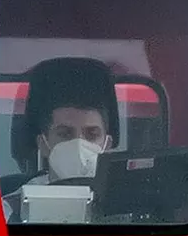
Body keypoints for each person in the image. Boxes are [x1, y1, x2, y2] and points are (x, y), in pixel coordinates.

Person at [16, 57, 120, 187]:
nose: (79, 144)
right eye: (65, 134)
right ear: (43, 144)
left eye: (92, 135)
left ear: (107, 145)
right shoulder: (12, 206)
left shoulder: (128, 204)